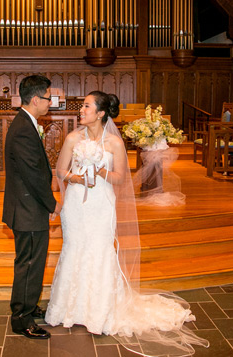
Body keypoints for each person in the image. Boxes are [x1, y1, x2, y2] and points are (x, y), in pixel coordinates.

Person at [45, 91, 208, 355]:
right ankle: (69, 308)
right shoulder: (72, 138)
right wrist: (75, 178)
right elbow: (61, 171)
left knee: (100, 250)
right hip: (76, 204)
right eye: (82, 106)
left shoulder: (114, 143)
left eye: (86, 106)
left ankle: (100, 310)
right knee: (74, 249)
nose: (81, 110)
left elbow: (121, 178)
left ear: (100, 113)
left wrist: (100, 172)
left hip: (102, 204)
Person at [2, 75, 61, 340]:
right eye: (49, 98)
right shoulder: (25, 128)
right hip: (29, 208)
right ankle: (21, 319)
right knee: (30, 264)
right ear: (36, 99)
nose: (51, 103)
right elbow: (34, 174)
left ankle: (26, 305)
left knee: (30, 262)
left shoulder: (25, 122)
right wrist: (53, 204)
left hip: (26, 206)